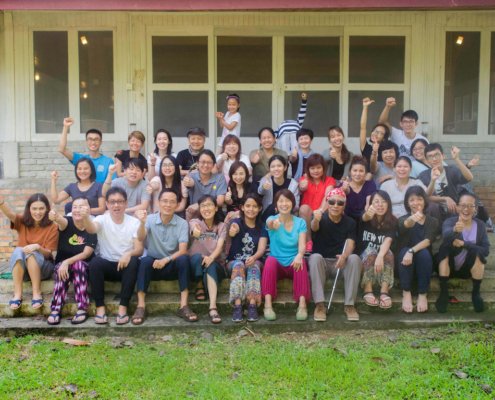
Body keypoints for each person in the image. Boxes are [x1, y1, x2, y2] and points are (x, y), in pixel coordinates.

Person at [134, 189, 197, 325]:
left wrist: (166, 260)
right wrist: (141, 223)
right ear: (158, 203)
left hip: (172, 264)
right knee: (144, 261)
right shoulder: (149, 219)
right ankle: (140, 306)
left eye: (172, 202)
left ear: (177, 204)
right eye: (165, 201)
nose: (168, 205)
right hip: (153, 265)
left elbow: (183, 250)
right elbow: (140, 237)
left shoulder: (182, 223)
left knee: (184, 259)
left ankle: (184, 306)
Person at [82, 187, 143, 325]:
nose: (116, 205)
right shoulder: (101, 219)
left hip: (126, 267)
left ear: (126, 203)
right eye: (112, 202)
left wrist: (128, 253)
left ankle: (122, 309)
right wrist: (86, 217)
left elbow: (139, 249)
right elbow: (92, 229)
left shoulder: (134, 222)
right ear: (107, 204)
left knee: (133, 261)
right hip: (107, 266)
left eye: (120, 201)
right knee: (95, 263)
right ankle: (100, 308)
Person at [308, 188, 362, 322]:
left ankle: (350, 305)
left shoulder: (350, 222)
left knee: (354, 258)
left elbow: (350, 242)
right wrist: (315, 219)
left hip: (341, 263)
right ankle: (319, 305)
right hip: (323, 264)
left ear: (344, 205)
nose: (335, 206)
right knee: (314, 258)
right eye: (332, 202)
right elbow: (314, 228)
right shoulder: (320, 218)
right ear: (327, 202)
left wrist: (344, 256)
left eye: (340, 203)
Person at [1, 193, 58, 311]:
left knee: (31, 254)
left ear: (47, 208)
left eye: (41, 208)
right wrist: (1, 203)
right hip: (24, 270)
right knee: (18, 250)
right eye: (34, 208)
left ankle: (36, 293)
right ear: (29, 209)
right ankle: (17, 294)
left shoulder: (52, 226)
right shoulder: (22, 221)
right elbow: (10, 215)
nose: (38, 212)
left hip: (43, 269)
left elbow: (49, 254)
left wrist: (37, 247)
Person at [435, 193, 490, 313]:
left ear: (475, 208)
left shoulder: (480, 225)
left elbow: (486, 250)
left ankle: (476, 293)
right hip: (449, 268)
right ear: (458, 207)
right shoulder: (450, 221)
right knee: (444, 250)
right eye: (463, 205)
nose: (466, 209)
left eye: (471, 206)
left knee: (479, 254)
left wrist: (465, 244)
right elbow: (446, 235)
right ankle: (444, 292)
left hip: (467, 269)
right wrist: (455, 230)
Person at [47, 197, 97, 325]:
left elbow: (86, 253)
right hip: (63, 266)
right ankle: (56, 309)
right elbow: (60, 221)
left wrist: (67, 261)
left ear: (89, 210)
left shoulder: (92, 227)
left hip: (83, 265)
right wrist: (55, 216)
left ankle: (82, 307)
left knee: (78, 265)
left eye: (82, 206)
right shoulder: (67, 222)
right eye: (75, 207)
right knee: (60, 269)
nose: (78, 210)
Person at [262, 189, 310, 321]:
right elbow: (269, 224)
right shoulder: (272, 219)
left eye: (287, 201)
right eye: (281, 201)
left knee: (301, 262)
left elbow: (302, 244)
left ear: (292, 203)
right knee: (269, 261)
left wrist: (300, 255)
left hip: (293, 261)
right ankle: (267, 304)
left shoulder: (300, 222)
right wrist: (273, 224)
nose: (284, 204)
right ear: (276, 205)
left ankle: (302, 304)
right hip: (276, 262)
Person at [397, 186, 438, 313]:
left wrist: (412, 251)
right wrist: (412, 219)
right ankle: (406, 293)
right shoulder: (402, 219)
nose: (416, 203)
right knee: (404, 251)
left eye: (419, 199)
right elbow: (405, 225)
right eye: (412, 200)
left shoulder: (433, 221)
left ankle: (422, 295)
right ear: (407, 203)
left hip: (423, 262)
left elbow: (428, 241)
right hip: (404, 261)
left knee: (424, 253)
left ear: (425, 201)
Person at [227, 194, 268, 323]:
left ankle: (252, 304)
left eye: (255, 206)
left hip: (254, 260)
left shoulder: (262, 226)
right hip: (234, 261)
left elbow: (261, 249)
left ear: (260, 208)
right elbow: (232, 231)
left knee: (253, 266)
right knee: (239, 265)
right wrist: (233, 231)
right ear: (242, 208)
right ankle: (237, 305)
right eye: (248, 206)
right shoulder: (236, 222)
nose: (251, 209)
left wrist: (254, 257)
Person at [189, 195, 227, 324]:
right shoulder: (195, 222)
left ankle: (212, 307)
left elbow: (220, 246)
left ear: (216, 208)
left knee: (210, 264)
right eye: (203, 206)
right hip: (197, 264)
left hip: (215, 264)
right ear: (199, 209)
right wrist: (195, 231)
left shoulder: (222, 226)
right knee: (195, 258)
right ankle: (199, 283)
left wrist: (210, 258)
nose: (206, 208)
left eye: (210, 205)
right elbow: (193, 228)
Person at [359, 190, 397, 310]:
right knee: (371, 251)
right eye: (376, 202)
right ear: (370, 204)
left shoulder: (392, 221)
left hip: (381, 258)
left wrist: (380, 256)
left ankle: (384, 291)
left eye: (383, 202)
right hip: (364, 257)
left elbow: (388, 240)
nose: (380, 205)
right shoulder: (364, 217)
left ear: (389, 204)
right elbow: (364, 217)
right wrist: (367, 214)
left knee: (388, 253)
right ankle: (367, 289)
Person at [419, 143, 473, 222]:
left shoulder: (451, 170)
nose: (434, 159)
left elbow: (469, 178)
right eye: (430, 156)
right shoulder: (423, 176)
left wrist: (457, 159)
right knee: (432, 207)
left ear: (443, 156)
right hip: (435, 211)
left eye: (437, 155)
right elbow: (425, 197)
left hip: (453, 208)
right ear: (427, 160)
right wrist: (445, 198)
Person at [298, 153, 336, 252]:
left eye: (318, 167)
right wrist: (302, 186)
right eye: (312, 168)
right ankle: (308, 241)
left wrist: (320, 211)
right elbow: (302, 187)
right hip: (306, 214)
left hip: (322, 212)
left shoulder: (329, 180)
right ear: (308, 169)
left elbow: (328, 195)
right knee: (304, 208)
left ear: (323, 168)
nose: (316, 171)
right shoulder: (304, 179)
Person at [58, 117, 114, 184]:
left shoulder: (108, 161)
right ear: (86, 141)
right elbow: (62, 149)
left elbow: (113, 182)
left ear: (101, 142)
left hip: (101, 193)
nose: (93, 142)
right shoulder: (80, 159)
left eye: (96, 139)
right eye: (90, 139)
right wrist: (65, 127)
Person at [183, 149, 228, 220]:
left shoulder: (220, 178)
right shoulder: (191, 176)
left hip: (214, 214)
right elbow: (189, 182)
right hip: (196, 214)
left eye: (209, 162)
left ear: (213, 165)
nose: (206, 165)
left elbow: (220, 201)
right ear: (197, 163)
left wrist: (199, 205)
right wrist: (188, 182)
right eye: (203, 162)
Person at [258, 155, 300, 222]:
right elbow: (260, 192)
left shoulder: (293, 184)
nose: (276, 169)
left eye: (279, 166)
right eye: (273, 167)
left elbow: (296, 205)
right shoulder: (266, 180)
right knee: (272, 207)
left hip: (287, 214)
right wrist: (263, 187)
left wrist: (283, 207)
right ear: (269, 169)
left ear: (285, 167)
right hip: (268, 215)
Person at [343, 156, 377, 224]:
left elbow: (368, 203)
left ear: (366, 173)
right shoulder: (344, 185)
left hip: (364, 219)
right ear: (350, 172)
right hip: (346, 221)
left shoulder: (370, 184)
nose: (357, 174)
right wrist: (343, 190)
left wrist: (367, 211)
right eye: (355, 170)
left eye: (361, 171)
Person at [359, 97, 390, 165]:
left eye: (380, 133)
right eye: (375, 131)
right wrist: (365, 107)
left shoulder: (386, 152)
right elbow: (363, 127)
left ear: (384, 138)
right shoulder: (366, 148)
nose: (376, 134)